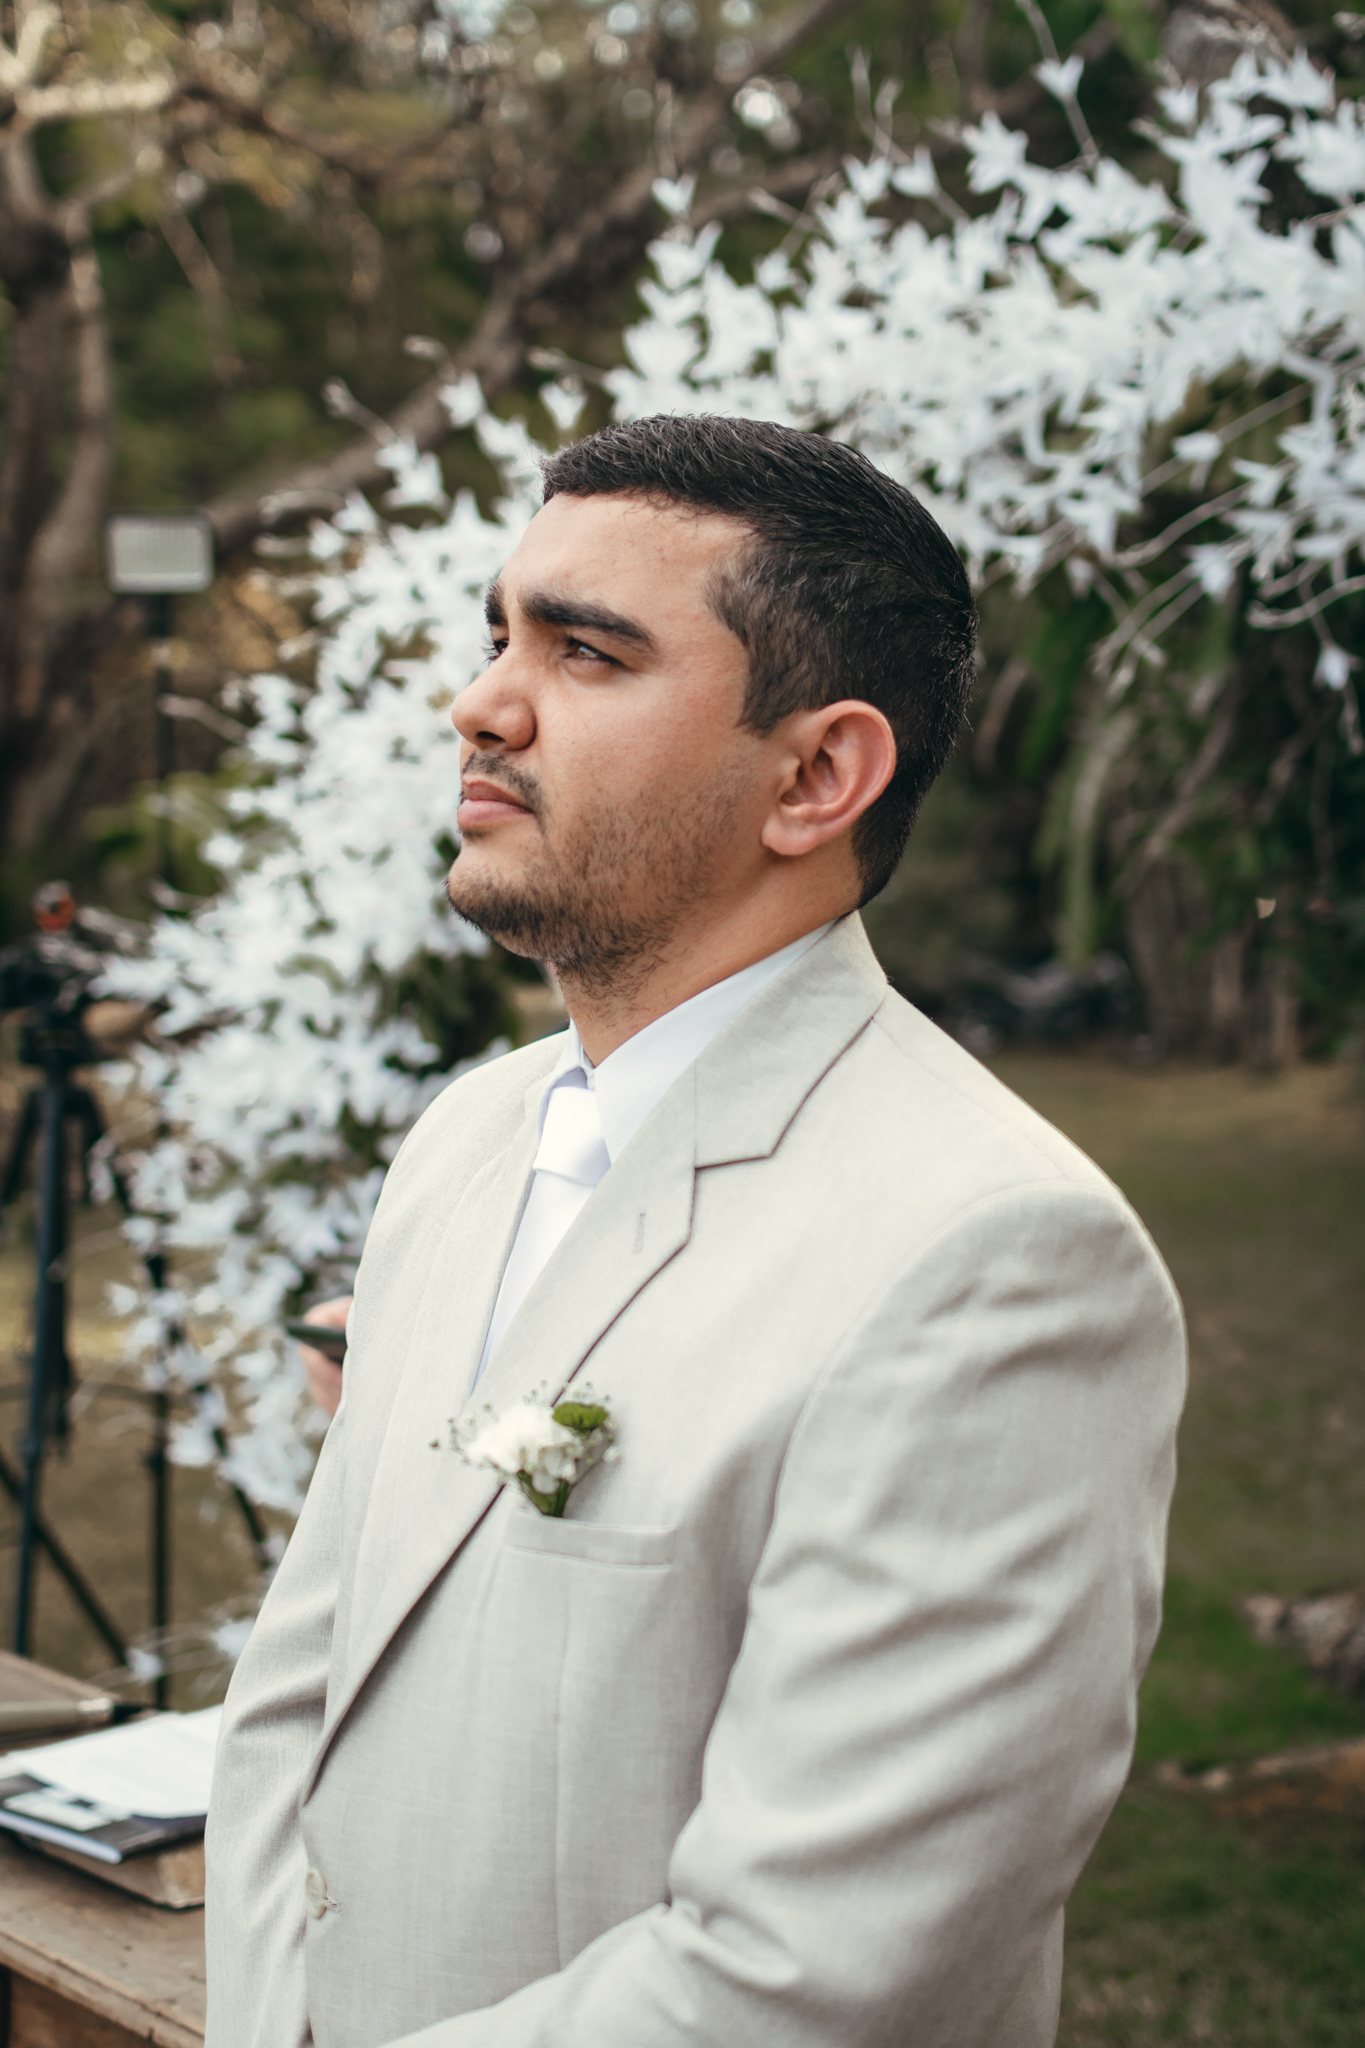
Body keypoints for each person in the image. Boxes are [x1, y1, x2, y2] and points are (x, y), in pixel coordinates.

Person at [206, 416, 1185, 2048]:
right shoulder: (463, 1141)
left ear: (814, 777)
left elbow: (814, 1971)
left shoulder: (995, 1261)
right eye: (498, 635)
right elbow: (295, 1702)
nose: (479, 705)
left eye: (584, 652)